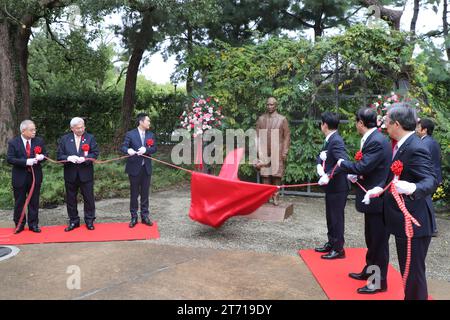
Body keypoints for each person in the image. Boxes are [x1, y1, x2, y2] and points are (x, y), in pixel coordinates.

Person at [364, 103, 437, 300]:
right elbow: (394, 175)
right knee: (409, 273)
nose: (384, 124)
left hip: (414, 221)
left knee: (413, 275)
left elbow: (431, 180)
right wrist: (381, 188)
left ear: (397, 124)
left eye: (386, 120)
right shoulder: (402, 145)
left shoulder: (415, 147)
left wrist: (413, 188)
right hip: (402, 220)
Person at [337, 108, 392, 294]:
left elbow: (364, 165)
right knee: (371, 238)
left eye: (356, 122)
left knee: (378, 242)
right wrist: (356, 175)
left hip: (378, 199)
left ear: (361, 122)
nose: (356, 125)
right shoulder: (373, 138)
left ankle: (378, 281)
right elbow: (367, 167)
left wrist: (343, 165)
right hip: (371, 198)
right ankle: (370, 271)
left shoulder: (376, 140)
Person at [315, 112, 350, 259]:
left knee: (336, 218)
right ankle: (331, 242)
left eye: (321, 123)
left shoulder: (336, 140)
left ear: (325, 125)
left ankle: (338, 248)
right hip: (332, 187)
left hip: (338, 186)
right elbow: (324, 156)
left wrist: (328, 175)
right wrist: (319, 163)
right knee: (330, 216)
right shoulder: (330, 139)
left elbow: (342, 162)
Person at [57, 117, 99, 231]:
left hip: (86, 173)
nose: (81, 130)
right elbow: (59, 156)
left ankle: (89, 220)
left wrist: (85, 158)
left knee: (89, 199)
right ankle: (73, 221)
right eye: (78, 128)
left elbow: (95, 153)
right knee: (71, 199)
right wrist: (68, 157)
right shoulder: (65, 139)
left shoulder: (90, 138)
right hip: (70, 174)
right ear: (72, 128)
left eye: (82, 127)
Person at [6, 120, 47, 233]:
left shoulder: (39, 141)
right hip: (20, 177)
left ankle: (33, 224)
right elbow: (10, 159)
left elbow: (46, 155)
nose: (34, 131)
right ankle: (19, 224)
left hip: (35, 176)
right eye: (32, 130)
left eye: (35, 129)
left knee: (34, 201)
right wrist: (25, 162)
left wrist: (41, 157)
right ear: (23, 131)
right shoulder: (14, 142)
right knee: (20, 201)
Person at [120, 113, 157, 228]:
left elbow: (154, 148)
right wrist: (128, 150)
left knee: (145, 194)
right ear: (141, 122)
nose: (149, 123)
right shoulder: (130, 134)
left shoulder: (150, 134)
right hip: (134, 168)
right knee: (134, 194)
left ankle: (145, 216)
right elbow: (123, 147)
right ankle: (134, 217)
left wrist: (146, 149)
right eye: (148, 121)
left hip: (146, 168)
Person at [255, 97, 291, 206]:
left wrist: (285, 151)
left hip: (278, 150)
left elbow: (287, 136)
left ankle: (276, 196)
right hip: (264, 150)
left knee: (276, 174)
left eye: (272, 105)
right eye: (268, 105)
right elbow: (257, 137)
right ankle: (267, 195)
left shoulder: (282, 119)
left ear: (276, 106)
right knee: (265, 174)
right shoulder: (261, 119)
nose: (270, 107)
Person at [416, 118, 442, 236]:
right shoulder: (432, 141)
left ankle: (433, 228)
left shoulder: (425, 143)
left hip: (429, 178)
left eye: (418, 126)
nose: (416, 129)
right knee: (426, 201)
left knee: (426, 201)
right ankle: (431, 227)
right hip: (434, 176)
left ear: (424, 130)